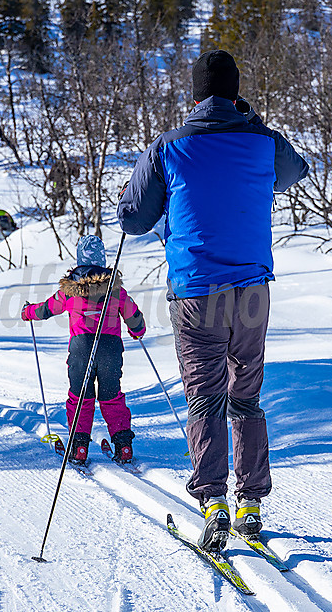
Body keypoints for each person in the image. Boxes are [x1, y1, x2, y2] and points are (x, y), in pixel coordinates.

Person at [117, 50, 309, 551]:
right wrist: (254, 123)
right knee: (246, 395)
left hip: (196, 292)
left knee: (205, 398)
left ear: (194, 94)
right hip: (251, 291)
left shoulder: (169, 147)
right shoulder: (263, 142)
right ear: (236, 91)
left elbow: (133, 219)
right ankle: (251, 503)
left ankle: (214, 502)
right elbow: (294, 171)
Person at [21, 235, 146, 465]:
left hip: (81, 348)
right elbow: (134, 317)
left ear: (79, 259)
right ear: (103, 259)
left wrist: (28, 312)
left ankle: (79, 447)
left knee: (80, 397)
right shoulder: (115, 290)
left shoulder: (70, 290)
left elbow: (47, 309)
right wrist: (137, 330)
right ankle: (124, 445)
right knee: (111, 396)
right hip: (110, 348)